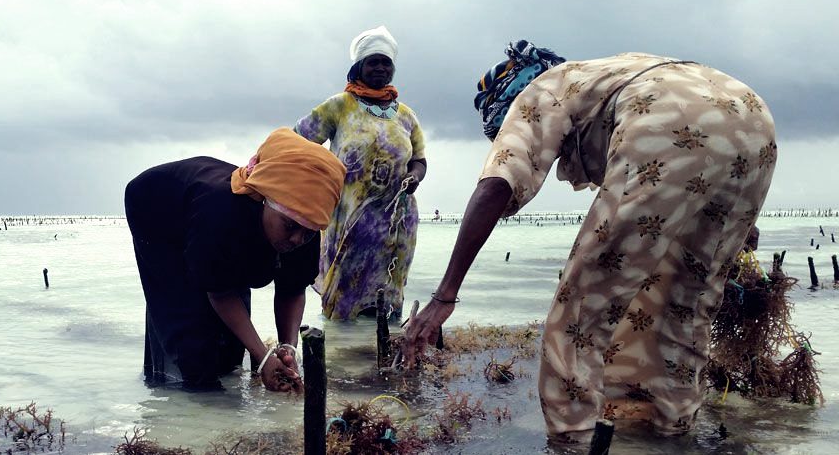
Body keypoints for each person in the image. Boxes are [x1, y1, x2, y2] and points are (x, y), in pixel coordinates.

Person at [402, 41, 777, 444]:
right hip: (753, 119)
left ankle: (573, 440)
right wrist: (737, 228)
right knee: (686, 306)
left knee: (580, 312)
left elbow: (498, 182)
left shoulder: (537, 90)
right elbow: (702, 165)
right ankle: (670, 435)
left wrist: (445, 296)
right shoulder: (599, 76)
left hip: (667, 122)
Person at [125, 128, 346, 392]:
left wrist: (287, 348)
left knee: (230, 346)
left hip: (220, 231)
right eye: (289, 226)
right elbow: (219, 291)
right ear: (265, 201)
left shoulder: (303, 222)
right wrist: (263, 356)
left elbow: (292, 289)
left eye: (308, 232)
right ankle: (178, 390)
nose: (298, 239)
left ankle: (226, 371)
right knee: (189, 335)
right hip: (158, 212)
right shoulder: (220, 214)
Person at [294, 26, 427, 320]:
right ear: (359, 67)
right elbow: (299, 141)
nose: (380, 67)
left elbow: (419, 160)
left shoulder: (406, 115)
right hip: (348, 217)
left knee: (387, 300)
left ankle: (381, 349)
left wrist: (414, 176)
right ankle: (343, 355)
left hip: (396, 222)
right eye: (373, 61)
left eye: (386, 62)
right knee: (343, 301)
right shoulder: (340, 106)